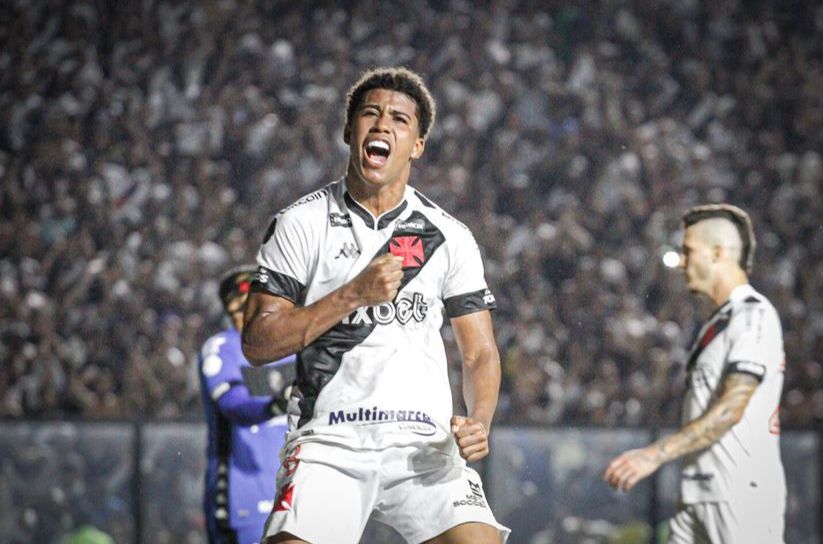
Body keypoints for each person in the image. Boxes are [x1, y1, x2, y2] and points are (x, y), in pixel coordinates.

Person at [242, 67, 510, 544]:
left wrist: (480, 420)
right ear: (350, 131)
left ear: (418, 145)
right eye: (371, 114)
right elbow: (258, 342)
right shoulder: (300, 223)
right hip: (329, 441)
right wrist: (353, 294)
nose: (383, 124)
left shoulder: (448, 235)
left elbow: (479, 353)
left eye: (399, 119)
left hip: (424, 447)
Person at [603, 204, 786, 543]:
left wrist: (654, 454)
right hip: (699, 495)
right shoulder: (717, 324)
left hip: (740, 496)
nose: (682, 262)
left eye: (688, 251)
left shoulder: (753, 316)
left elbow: (732, 408)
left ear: (718, 253)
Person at [199, 266, 296, 544]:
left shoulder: (295, 346)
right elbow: (233, 404)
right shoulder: (222, 347)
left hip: (296, 490)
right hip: (242, 494)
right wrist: (273, 406)